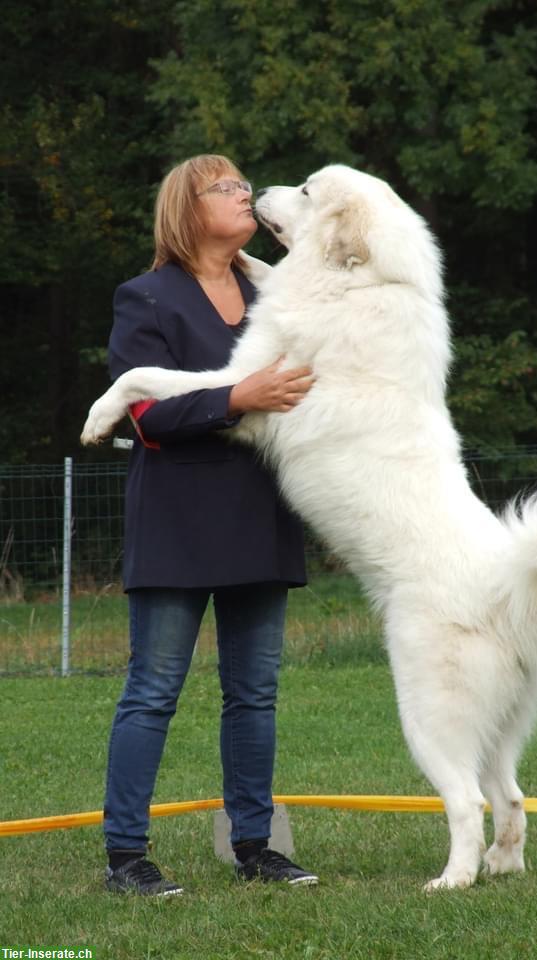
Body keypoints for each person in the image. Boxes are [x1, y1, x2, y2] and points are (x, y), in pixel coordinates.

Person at [102, 154, 318, 895]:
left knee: (254, 694)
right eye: (225, 186)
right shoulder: (147, 297)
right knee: (153, 690)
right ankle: (127, 859)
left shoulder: (278, 292)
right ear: (186, 209)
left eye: (242, 184)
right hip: (178, 522)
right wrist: (238, 396)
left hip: (264, 515)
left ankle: (256, 847)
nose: (244, 193)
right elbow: (145, 416)